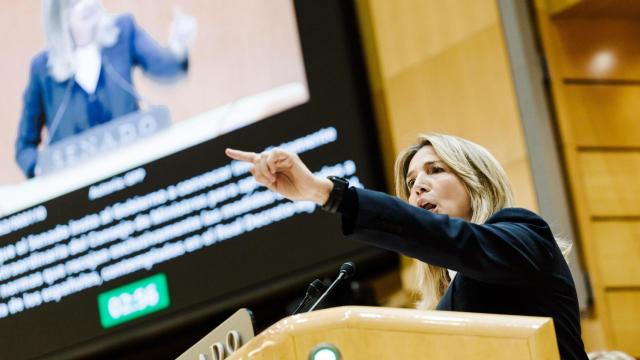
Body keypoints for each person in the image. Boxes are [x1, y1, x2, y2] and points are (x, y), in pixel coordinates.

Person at [225, 133, 588, 360]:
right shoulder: (435, 315)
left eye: (436, 170)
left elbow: (454, 241)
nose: (418, 187)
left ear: (478, 181)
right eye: (411, 181)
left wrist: (325, 193)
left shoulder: (525, 236)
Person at [15, 0, 196, 178]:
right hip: (78, 192)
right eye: (74, 2)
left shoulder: (123, 31)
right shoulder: (42, 69)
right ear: (58, 15)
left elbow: (166, 67)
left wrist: (178, 46)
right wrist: (39, 169)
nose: (87, 3)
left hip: (134, 175)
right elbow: (25, 148)